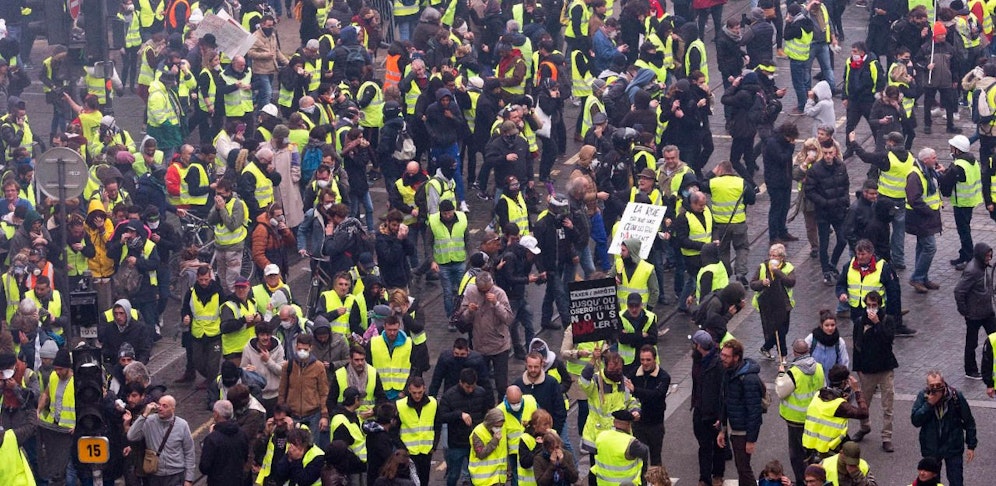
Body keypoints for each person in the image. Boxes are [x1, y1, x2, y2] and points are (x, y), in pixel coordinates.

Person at [850, 291, 899, 453]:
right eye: (869, 305)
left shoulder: (887, 320)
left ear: (879, 305)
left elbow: (888, 340)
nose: (871, 309)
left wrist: (877, 324)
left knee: (888, 404)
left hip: (885, 368)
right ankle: (865, 427)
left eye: (874, 305)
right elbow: (857, 346)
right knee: (864, 403)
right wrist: (857, 370)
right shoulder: (859, 322)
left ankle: (887, 437)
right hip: (867, 370)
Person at [911, 371, 977, 486]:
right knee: (931, 482)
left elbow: (968, 421)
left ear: (944, 383)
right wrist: (929, 404)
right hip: (931, 447)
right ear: (927, 386)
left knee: (956, 481)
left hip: (953, 446)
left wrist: (971, 445)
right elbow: (916, 421)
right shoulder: (923, 396)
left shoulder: (956, 396)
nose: (936, 388)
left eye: (938, 385)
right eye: (932, 386)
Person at [775, 339, 825, 485]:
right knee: (811, 452)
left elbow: (781, 392)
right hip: (814, 418)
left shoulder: (793, 373)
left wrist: (780, 375)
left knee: (797, 455)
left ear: (794, 352)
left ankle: (801, 481)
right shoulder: (819, 368)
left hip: (796, 420)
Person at [457, 271, 514, 395]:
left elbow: (508, 319)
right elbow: (462, 318)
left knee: (501, 384)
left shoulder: (500, 293)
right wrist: (469, 311)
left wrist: (496, 304)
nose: (484, 293)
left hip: (500, 345)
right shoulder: (471, 292)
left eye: (487, 290)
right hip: (479, 346)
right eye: (481, 291)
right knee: (481, 383)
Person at [716, 339, 763, 486]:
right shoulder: (728, 372)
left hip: (742, 432)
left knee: (744, 469)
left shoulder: (748, 379)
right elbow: (725, 401)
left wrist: (751, 440)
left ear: (736, 357)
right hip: (734, 428)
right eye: (722, 354)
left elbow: (754, 412)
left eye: (726, 356)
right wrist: (722, 429)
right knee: (741, 468)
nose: (722, 358)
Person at [806, 139, 850, 284]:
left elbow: (845, 185)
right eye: (825, 153)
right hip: (824, 212)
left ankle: (832, 265)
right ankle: (826, 271)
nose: (828, 156)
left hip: (838, 211)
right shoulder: (815, 170)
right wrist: (824, 202)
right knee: (823, 244)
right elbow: (810, 191)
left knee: (843, 240)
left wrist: (845, 202)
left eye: (830, 153)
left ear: (835, 152)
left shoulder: (841, 167)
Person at [126, 395, 197, 486]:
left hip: (175, 474)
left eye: (165, 406)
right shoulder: (149, 421)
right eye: (159, 405)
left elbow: (189, 452)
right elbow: (131, 436)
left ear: (173, 409)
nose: (160, 408)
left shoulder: (182, 425)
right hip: (155, 475)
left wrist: (189, 479)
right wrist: (144, 415)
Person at [439, 368, 493, 486]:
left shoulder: (481, 393)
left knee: (476, 474)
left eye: (472, 386)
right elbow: (442, 416)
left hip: (475, 442)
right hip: (457, 443)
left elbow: (485, 413)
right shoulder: (449, 396)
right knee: (453, 474)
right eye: (467, 387)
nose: (470, 390)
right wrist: (459, 415)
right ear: (461, 383)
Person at [802, 365, 869, 459]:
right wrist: (857, 391)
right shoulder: (839, 405)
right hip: (830, 446)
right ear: (844, 382)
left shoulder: (818, 394)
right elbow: (864, 413)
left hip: (812, 443)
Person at [954, 243, 996, 379]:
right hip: (975, 315)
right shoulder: (972, 271)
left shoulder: (983, 267)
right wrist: (964, 311)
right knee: (971, 343)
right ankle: (970, 370)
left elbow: (984, 287)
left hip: (987, 311)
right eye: (987, 255)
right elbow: (959, 291)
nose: (990, 257)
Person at [277, 334, 330, 443]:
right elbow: (282, 390)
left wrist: (324, 416)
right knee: (292, 445)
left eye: (305, 349)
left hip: (313, 414)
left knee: (313, 445)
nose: (302, 351)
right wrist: (281, 413)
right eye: (299, 348)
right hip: (293, 413)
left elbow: (324, 392)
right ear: (296, 347)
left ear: (311, 348)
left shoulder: (319, 367)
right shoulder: (288, 366)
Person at [939, 135, 980, 270]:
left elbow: (946, 183)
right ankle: (963, 255)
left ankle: (968, 258)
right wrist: (947, 171)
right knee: (965, 229)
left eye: (953, 147)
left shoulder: (958, 165)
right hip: (970, 201)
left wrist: (941, 175)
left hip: (962, 202)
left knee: (964, 231)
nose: (950, 149)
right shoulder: (971, 161)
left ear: (957, 150)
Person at [625, 345, 670, 468]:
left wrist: (635, 390)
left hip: (655, 424)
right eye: (642, 360)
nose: (645, 363)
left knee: (656, 460)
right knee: (640, 461)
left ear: (655, 359)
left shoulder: (664, 377)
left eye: (648, 360)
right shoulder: (634, 373)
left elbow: (656, 395)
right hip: (638, 424)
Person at [690, 330, 725, 486]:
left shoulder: (718, 364)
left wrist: (721, 415)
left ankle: (717, 474)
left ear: (699, 346)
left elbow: (722, 391)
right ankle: (704, 477)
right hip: (700, 409)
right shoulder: (697, 361)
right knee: (704, 445)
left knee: (718, 446)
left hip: (714, 412)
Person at [906, 147, 943, 292]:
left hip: (926, 218)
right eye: (934, 157)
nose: (936, 159)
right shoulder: (915, 175)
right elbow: (914, 199)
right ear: (925, 160)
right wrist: (929, 211)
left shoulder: (928, 171)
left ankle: (922, 278)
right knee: (930, 247)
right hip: (921, 218)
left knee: (922, 247)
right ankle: (917, 278)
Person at [751, 243, 796, 360]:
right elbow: (753, 284)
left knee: (783, 330)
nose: (772, 258)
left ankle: (766, 347)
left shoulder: (788, 267)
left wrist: (777, 272)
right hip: (767, 304)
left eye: (775, 256)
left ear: (782, 257)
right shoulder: (762, 267)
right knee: (777, 329)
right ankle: (783, 355)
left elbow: (790, 282)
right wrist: (762, 283)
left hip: (784, 304)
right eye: (770, 255)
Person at [395, 377, 439, 486]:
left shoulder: (433, 403)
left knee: (424, 481)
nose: (417, 396)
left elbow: (437, 425)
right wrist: (403, 449)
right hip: (408, 452)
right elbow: (394, 431)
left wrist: (434, 446)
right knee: (410, 482)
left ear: (424, 388)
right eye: (414, 393)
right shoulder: (400, 405)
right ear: (409, 390)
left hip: (426, 451)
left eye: (420, 392)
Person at [208, 179, 249, 293]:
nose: (218, 196)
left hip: (234, 246)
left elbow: (233, 225)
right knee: (222, 280)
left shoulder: (237, 204)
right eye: (217, 193)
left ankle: (234, 303)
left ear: (229, 192)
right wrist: (217, 209)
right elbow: (210, 220)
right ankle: (226, 302)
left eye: (221, 193)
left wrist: (222, 209)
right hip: (220, 246)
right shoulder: (218, 203)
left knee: (231, 281)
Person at [199, 400, 251, 486]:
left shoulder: (212, 439)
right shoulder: (242, 434)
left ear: (216, 414)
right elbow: (245, 457)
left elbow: (204, 467)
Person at [590, 410, 647, 485]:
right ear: (628, 425)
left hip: (601, 483)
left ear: (614, 422)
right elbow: (644, 452)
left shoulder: (601, 436)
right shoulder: (631, 443)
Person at [469, 407, 507, 486]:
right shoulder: (478, 432)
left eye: (501, 426)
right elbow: (481, 454)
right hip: (484, 479)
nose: (499, 428)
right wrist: (495, 441)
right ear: (490, 423)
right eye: (496, 426)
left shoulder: (502, 429)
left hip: (498, 477)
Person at [805, 310, 850, 375]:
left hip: (831, 381)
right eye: (827, 325)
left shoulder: (840, 342)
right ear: (821, 325)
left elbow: (844, 362)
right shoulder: (811, 339)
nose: (830, 328)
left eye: (832, 325)